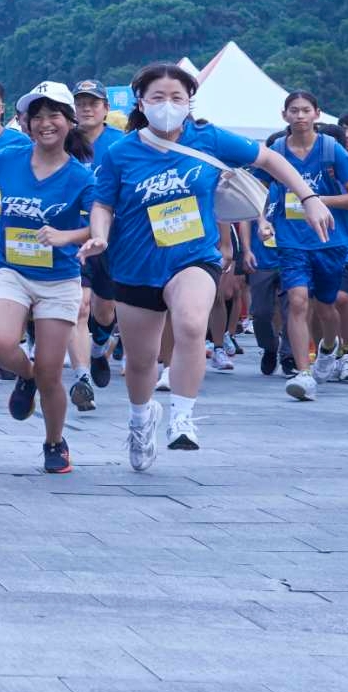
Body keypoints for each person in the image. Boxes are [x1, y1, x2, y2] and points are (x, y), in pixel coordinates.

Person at [82, 63, 333, 470]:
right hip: (136, 265)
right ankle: (141, 419)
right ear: (141, 103)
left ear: (189, 103)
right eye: (158, 98)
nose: (168, 106)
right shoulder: (120, 153)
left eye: (177, 98)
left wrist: (309, 197)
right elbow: (103, 203)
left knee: (192, 324)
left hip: (193, 257)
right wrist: (99, 234)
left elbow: (268, 159)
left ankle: (182, 415)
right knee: (142, 361)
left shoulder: (208, 138)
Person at [0, 83, 96, 473]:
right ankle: (25, 378)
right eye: (36, 116)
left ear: (69, 121)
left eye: (54, 115)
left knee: (50, 370)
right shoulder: (8, 159)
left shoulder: (81, 176)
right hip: (12, 269)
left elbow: (97, 225)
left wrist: (67, 236)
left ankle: (55, 442)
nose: (45, 124)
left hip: (59, 279)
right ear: (25, 123)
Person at [261, 91, 348, 400]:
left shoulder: (331, 150)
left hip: (329, 240)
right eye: (293, 111)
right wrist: (263, 219)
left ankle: (330, 347)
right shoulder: (277, 151)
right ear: (284, 116)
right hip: (291, 240)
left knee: (327, 306)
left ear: (317, 114)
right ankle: (303, 372)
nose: (300, 116)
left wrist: (316, 201)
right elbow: (263, 192)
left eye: (306, 110)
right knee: (296, 300)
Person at [72, 79, 123, 391]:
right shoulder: (63, 142)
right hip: (72, 236)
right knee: (80, 304)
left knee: (105, 310)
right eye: (81, 103)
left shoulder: (121, 144)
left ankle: (97, 349)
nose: (87, 108)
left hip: (109, 237)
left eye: (93, 103)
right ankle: (82, 376)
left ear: (106, 108)